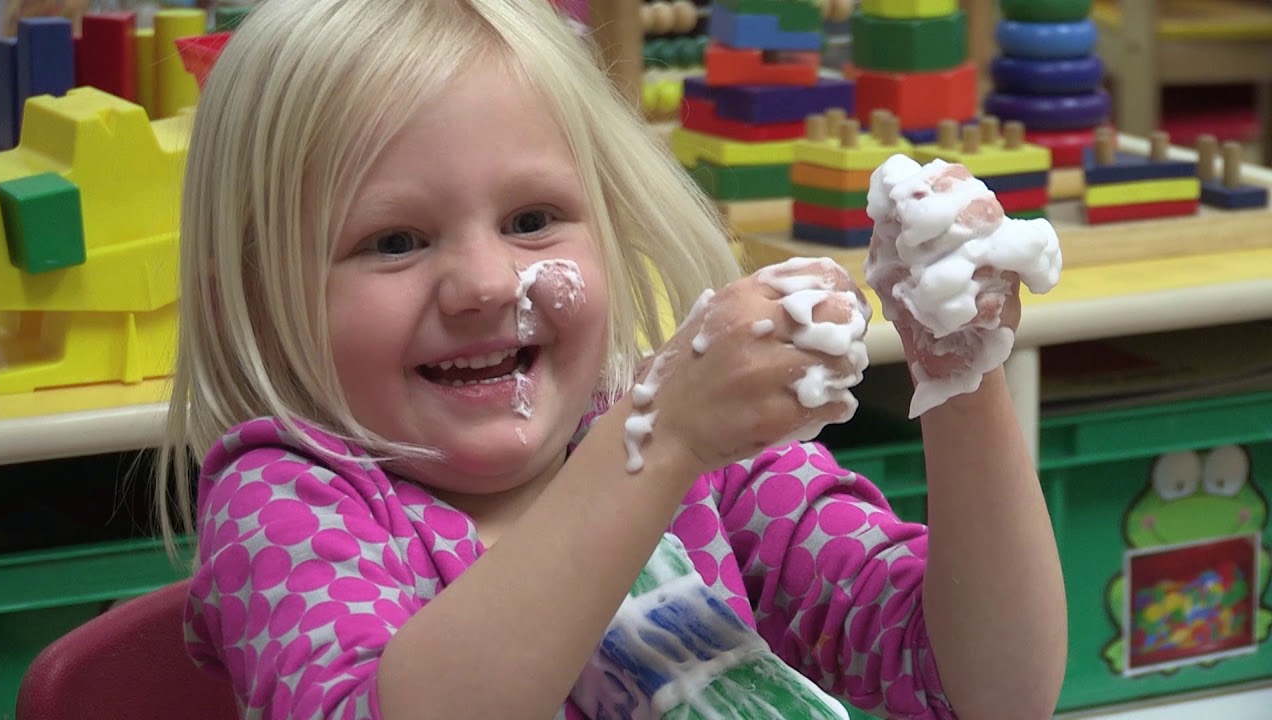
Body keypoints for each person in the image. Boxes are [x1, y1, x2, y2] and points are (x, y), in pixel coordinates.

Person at [155, 0, 1068, 718]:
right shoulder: (288, 501)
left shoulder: (691, 450)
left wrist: (961, 372)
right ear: (257, 291)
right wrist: (656, 442)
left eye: (530, 221)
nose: (482, 282)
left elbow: (984, 687)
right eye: (394, 241)